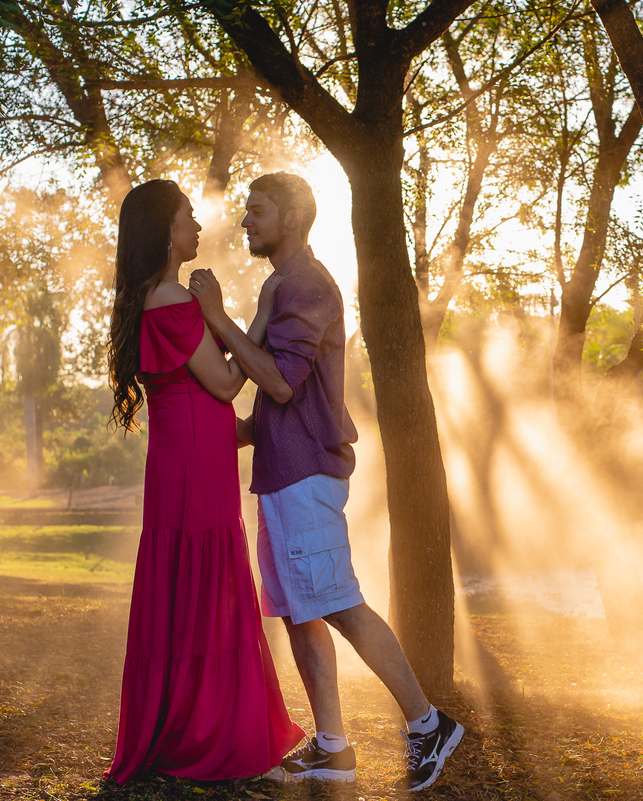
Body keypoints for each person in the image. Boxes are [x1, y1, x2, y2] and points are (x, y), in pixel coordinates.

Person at [189, 172, 463, 792]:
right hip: (283, 474)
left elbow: (282, 383)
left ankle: (427, 725)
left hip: (307, 477)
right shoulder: (280, 284)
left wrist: (217, 317)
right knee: (300, 611)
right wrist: (221, 432)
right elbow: (283, 400)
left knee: (335, 600)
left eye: (257, 211)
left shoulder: (308, 285)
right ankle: (334, 745)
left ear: (291, 218)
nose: (245, 221)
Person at [105, 179, 305, 784]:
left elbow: (202, 388)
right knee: (210, 589)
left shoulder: (152, 297)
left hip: (184, 456)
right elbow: (221, 384)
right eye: (188, 217)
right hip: (194, 463)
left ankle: (186, 723)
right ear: (168, 230)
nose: (197, 227)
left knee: (186, 591)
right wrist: (252, 317)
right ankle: (212, 733)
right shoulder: (171, 299)